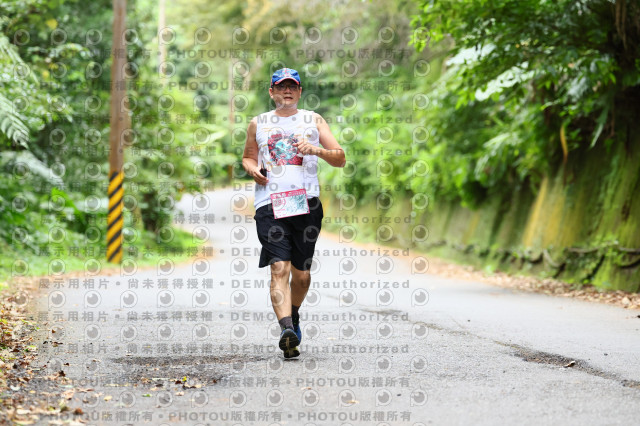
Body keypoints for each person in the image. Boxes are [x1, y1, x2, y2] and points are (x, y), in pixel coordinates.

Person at [242, 68, 346, 358]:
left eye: (292, 86)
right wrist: (253, 169)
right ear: (272, 92)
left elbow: (340, 158)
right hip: (269, 203)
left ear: (299, 91)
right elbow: (248, 157)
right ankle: (286, 328)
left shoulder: (314, 120)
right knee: (279, 268)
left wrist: (315, 150)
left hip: (306, 203)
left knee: (301, 276)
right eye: (281, 86)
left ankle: (294, 314)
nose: (286, 91)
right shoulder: (258, 123)